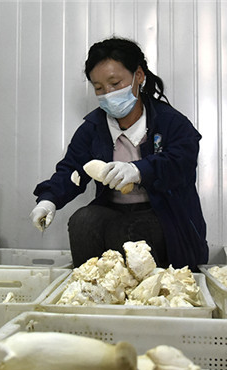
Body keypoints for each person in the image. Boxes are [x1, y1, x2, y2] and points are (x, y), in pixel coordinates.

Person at [30, 37, 208, 271]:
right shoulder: (93, 129)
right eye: (99, 88)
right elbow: (72, 168)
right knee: (83, 221)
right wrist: (48, 200)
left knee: (129, 232)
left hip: (163, 214)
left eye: (115, 83)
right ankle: (89, 285)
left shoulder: (170, 122)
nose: (108, 93)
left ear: (139, 76)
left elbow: (181, 162)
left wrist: (138, 170)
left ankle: (150, 291)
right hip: (114, 210)